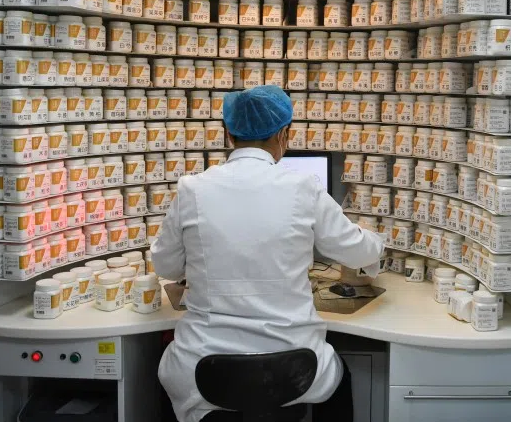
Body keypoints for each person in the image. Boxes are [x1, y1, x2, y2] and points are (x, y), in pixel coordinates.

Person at [151, 85, 384, 422]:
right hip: (295, 368)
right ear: (283, 134)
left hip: (205, 369)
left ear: (228, 133)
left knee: (165, 376)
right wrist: (378, 243)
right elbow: (358, 250)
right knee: (338, 377)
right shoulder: (304, 187)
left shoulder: (192, 189)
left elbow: (166, 265)